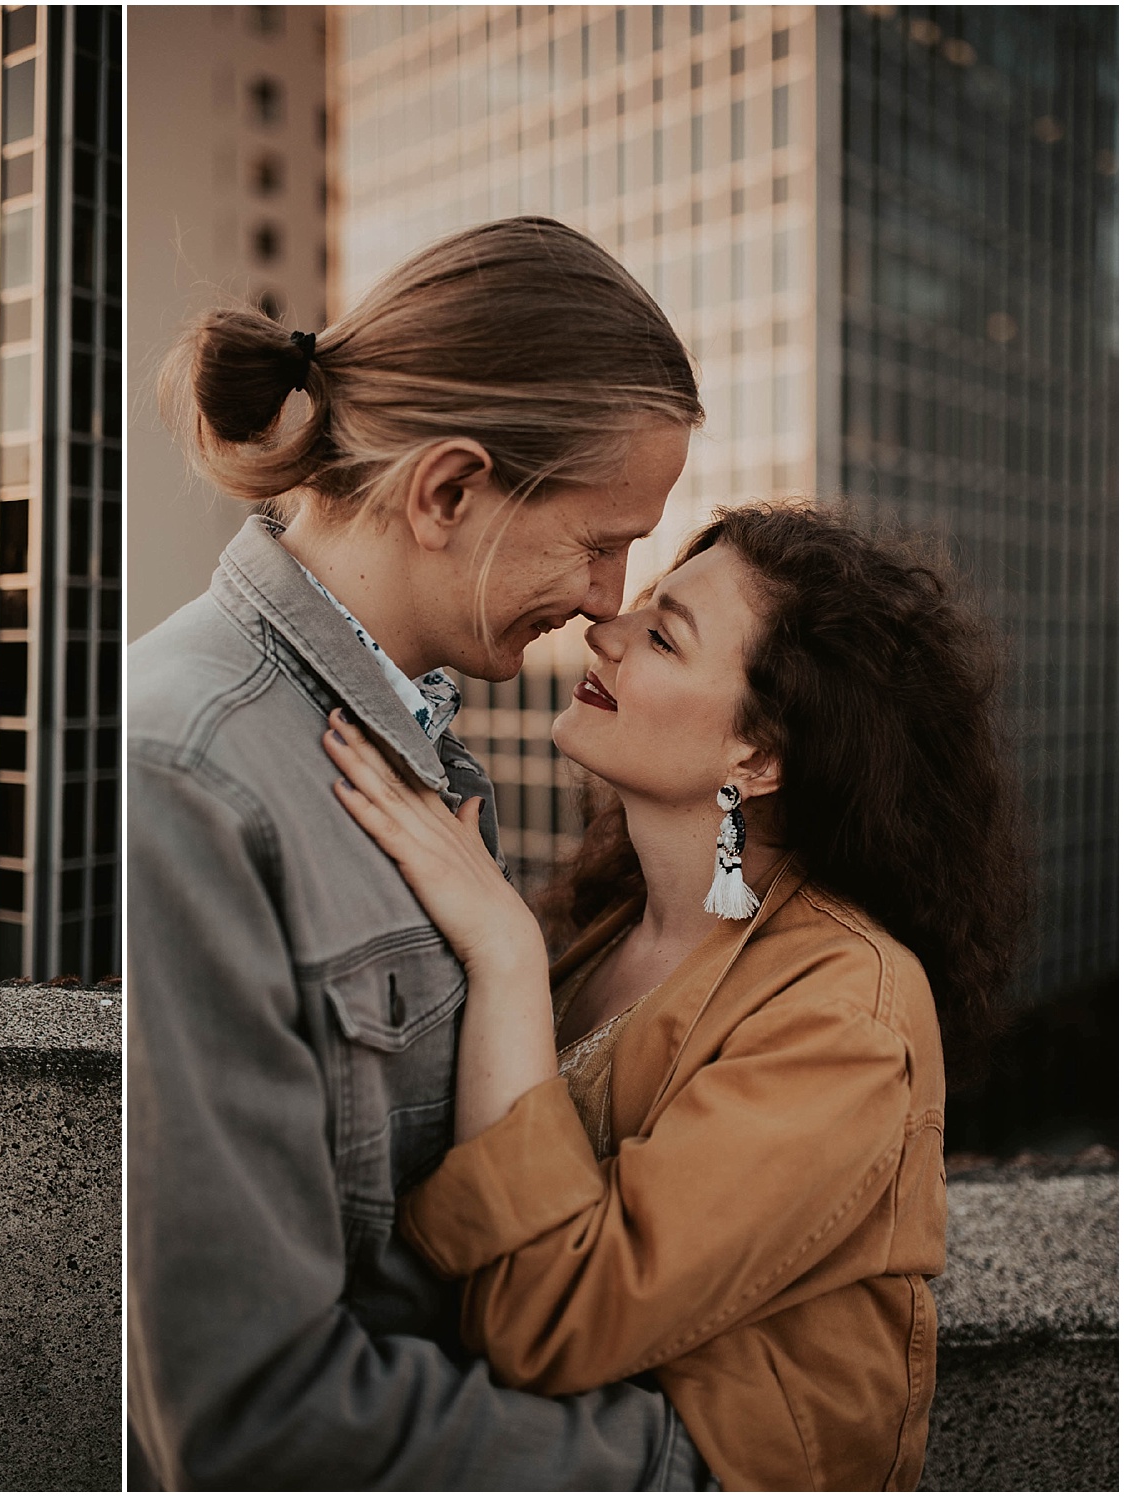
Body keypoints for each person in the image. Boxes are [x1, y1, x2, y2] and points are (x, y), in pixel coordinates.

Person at [128, 217, 714, 1487]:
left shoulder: (408, 739)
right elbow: (253, 1420)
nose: (611, 600)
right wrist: (665, 1466)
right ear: (448, 491)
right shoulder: (183, 778)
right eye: (602, 540)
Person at [323, 503, 1026, 1490]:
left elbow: (550, 1320)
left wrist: (504, 956)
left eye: (660, 634)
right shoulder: (611, 924)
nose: (599, 628)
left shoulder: (843, 1012)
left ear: (759, 756)